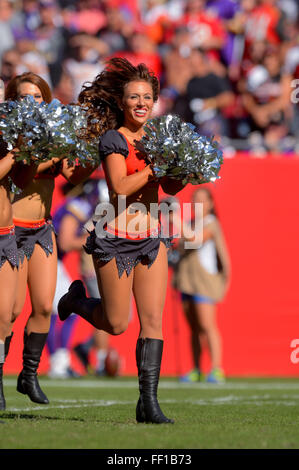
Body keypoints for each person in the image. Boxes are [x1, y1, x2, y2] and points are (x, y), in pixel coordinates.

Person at [58, 57, 185, 424]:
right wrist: (153, 166)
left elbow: (171, 186)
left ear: (155, 100)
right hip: (115, 238)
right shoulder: (114, 138)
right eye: (133, 97)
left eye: (147, 96)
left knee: (152, 321)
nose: (141, 103)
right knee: (116, 324)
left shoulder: (159, 136)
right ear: (122, 102)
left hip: (151, 238)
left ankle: (148, 403)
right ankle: (78, 301)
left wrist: (182, 169)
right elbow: (120, 187)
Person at [4, 72, 96, 405]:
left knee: (45, 306)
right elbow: (22, 171)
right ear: (13, 102)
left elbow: (73, 173)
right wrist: (51, 152)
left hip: (41, 228)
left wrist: (92, 152)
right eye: (23, 98)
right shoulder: (8, 133)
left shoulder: (53, 132)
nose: (32, 104)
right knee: (9, 311)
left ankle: (29, 376)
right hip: (10, 230)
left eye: (38, 98)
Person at [172, 187, 231, 383]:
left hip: (204, 283)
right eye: (195, 200)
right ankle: (196, 369)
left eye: (202, 200)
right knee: (194, 328)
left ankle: (216, 369)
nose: (198, 204)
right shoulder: (190, 223)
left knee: (207, 326)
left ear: (211, 204)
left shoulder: (211, 223)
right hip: (187, 282)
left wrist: (174, 217)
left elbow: (193, 239)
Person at [0, 124, 38, 410]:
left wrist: (33, 153)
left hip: (6, 234)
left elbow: (21, 182)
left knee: (9, 313)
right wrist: (15, 153)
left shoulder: (5, 133)